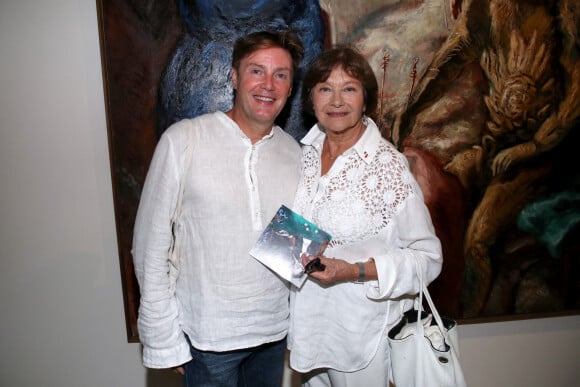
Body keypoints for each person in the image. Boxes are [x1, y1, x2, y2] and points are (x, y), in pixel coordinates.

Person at [131, 30, 305, 387]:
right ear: (235, 77)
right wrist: (164, 337)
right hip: (208, 341)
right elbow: (150, 246)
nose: (268, 84)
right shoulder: (185, 139)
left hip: (272, 334)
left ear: (290, 88)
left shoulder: (295, 154)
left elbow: (291, 252)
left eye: (281, 75)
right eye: (257, 71)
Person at [287, 46, 443, 386]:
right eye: (325, 88)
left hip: (362, 340)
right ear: (311, 99)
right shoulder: (300, 155)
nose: (337, 101)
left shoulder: (388, 167)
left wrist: (354, 271)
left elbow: (427, 258)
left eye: (350, 88)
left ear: (365, 98)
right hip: (308, 333)